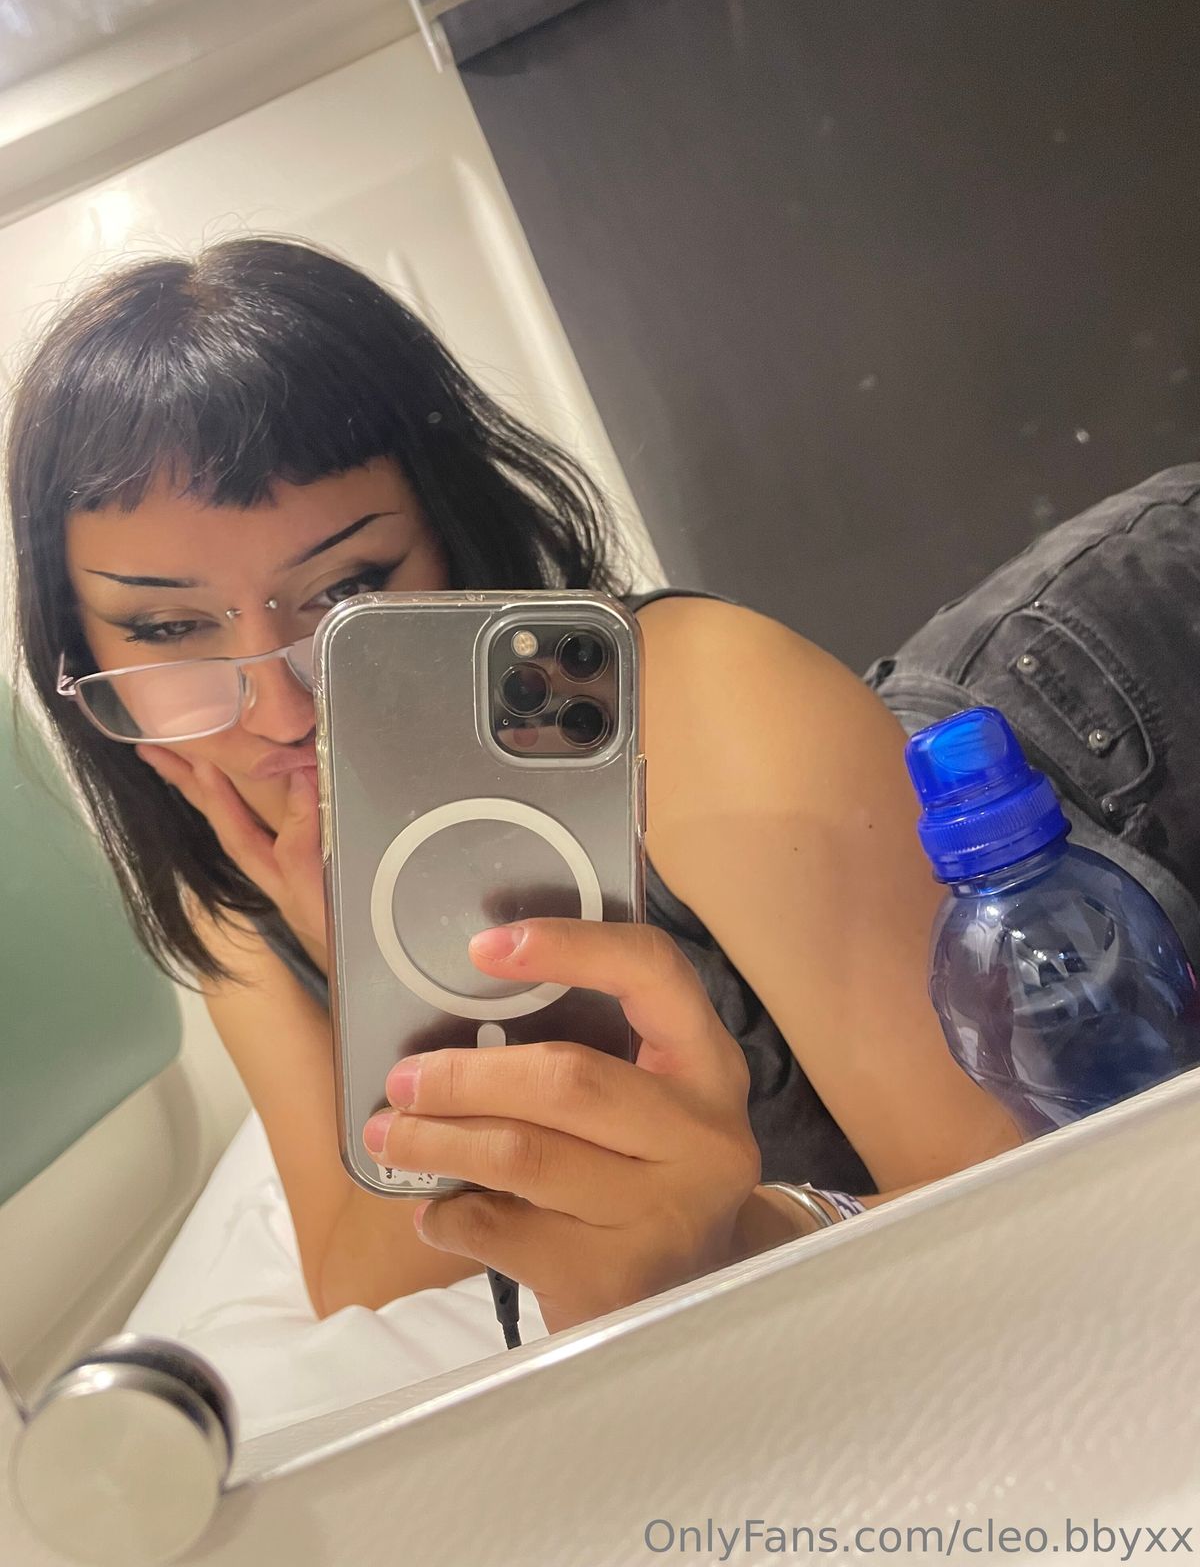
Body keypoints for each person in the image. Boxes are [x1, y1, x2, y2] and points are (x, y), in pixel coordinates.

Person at [6, 236, 1018, 1336]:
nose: (284, 714)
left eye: (347, 588)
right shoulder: (234, 877)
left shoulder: (700, 700)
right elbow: (363, 1275)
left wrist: (739, 1243)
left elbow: (1018, 1194)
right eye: (168, 627)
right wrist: (369, 976)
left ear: (451, 532)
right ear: (78, 651)